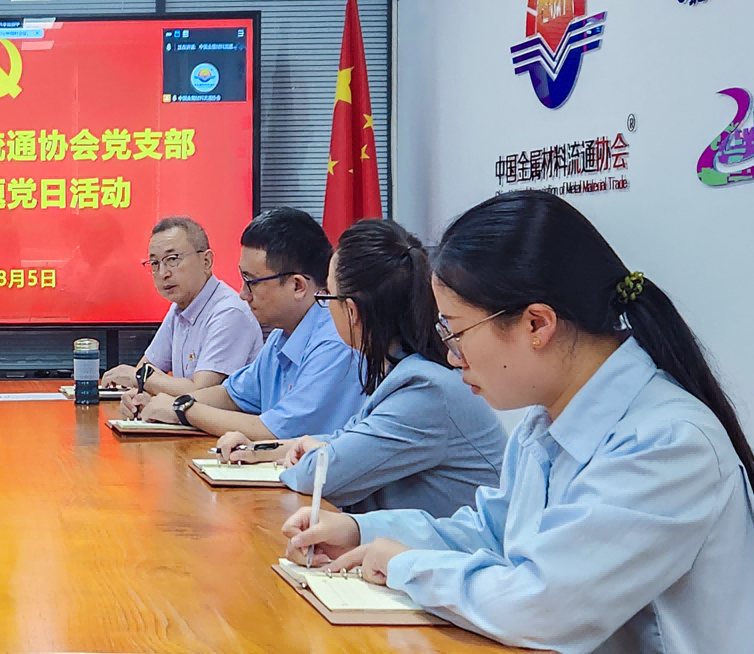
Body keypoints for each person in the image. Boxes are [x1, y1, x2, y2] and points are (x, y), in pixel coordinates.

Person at [287, 192, 754, 654]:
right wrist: (363, 532)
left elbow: (542, 603)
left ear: (537, 324)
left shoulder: (668, 444)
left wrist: (402, 565)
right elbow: (493, 532)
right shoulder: (546, 422)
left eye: (455, 331)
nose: (452, 355)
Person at [218, 219, 504, 517]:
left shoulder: (425, 390)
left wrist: (306, 455)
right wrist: (260, 451)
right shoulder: (403, 369)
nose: (324, 308)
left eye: (327, 296)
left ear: (352, 311)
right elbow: (346, 438)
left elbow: (322, 476)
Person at [129, 207, 363, 439]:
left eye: (252, 282)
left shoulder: (337, 340)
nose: (243, 294)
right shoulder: (280, 336)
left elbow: (274, 431)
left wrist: (182, 409)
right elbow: (231, 396)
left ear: (297, 286)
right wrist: (165, 404)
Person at [101, 216, 261, 401]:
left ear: (206, 261)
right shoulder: (179, 308)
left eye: (172, 259)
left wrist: (141, 379)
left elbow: (199, 392)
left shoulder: (230, 312)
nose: (163, 273)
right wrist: (135, 396)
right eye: (155, 263)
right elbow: (147, 369)